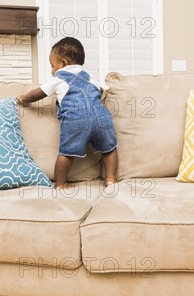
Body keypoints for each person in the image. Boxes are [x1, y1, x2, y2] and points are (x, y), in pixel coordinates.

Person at [17, 37, 118, 188]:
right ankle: (110, 179)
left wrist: (24, 98)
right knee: (109, 150)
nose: (52, 70)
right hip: (102, 118)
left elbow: (38, 93)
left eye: (52, 65)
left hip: (76, 120)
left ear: (63, 63)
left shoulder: (58, 78)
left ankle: (60, 184)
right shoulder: (91, 77)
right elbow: (99, 93)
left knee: (66, 153)